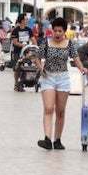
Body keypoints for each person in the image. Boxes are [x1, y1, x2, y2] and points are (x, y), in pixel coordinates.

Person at [36, 17, 84, 150]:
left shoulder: (69, 44)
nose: (57, 33)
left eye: (60, 31)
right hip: (48, 76)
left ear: (64, 32)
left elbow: (76, 58)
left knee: (60, 111)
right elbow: (37, 58)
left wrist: (82, 68)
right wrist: (41, 68)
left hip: (63, 78)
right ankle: (47, 138)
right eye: (55, 30)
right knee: (48, 108)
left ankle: (57, 139)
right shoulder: (46, 42)